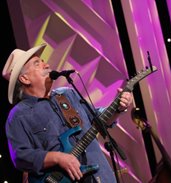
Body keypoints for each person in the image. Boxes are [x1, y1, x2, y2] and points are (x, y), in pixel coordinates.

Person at [2, 43, 133, 183]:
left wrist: (118, 108)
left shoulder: (67, 94)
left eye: (43, 61)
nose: (46, 65)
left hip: (101, 176)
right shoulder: (18, 115)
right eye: (36, 64)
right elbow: (21, 156)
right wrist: (57, 158)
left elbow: (98, 120)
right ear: (25, 79)